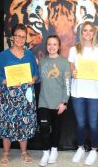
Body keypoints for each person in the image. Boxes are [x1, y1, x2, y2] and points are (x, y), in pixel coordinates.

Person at [0, 23, 39, 166]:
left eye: (23, 36)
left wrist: (33, 79)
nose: (20, 38)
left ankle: (24, 152)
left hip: (26, 96)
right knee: (7, 123)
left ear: (25, 39)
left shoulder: (30, 55)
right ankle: (5, 152)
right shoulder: (4, 55)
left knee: (24, 124)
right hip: (8, 96)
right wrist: (8, 81)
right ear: (12, 37)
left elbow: (36, 73)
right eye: (17, 36)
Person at [68, 21, 98, 166]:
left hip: (95, 93)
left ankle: (94, 150)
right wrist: (73, 71)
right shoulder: (74, 49)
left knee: (93, 123)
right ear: (82, 32)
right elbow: (71, 66)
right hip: (78, 91)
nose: (88, 33)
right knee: (80, 123)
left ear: (94, 33)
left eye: (91, 30)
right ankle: (80, 147)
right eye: (85, 30)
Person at [38, 35, 71, 166]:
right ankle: (46, 152)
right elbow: (37, 78)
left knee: (56, 129)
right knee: (44, 128)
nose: (52, 47)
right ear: (46, 46)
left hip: (59, 103)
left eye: (54, 44)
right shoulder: (42, 62)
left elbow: (67, 85)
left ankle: (54, 150)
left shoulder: (64, 62)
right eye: (49, 44)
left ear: (58, 46)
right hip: (44, 102)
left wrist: (64, 102)